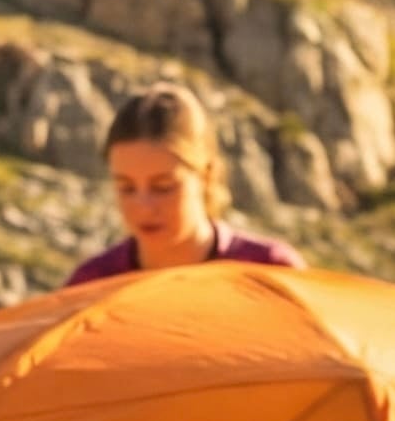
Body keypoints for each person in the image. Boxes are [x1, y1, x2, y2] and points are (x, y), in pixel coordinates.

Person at [62, 86, 306, 287]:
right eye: (126, 188)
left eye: (163, 187)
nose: (144, 206)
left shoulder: (270, 271)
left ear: (206, 176)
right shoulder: (93, 284)